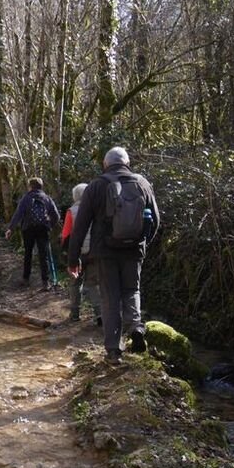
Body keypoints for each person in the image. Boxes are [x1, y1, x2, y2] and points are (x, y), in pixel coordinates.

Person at [67, 147, 160, 365]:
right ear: (127, 162)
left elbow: (80, 227)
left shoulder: (95, 186)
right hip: (134, 250)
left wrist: (73, 259)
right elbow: (155, 220)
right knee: (132, 290)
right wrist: (143, 243)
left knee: (110, 298)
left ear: (105, 164)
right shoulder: (142, 183)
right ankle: (136, 327)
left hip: (105, 252)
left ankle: (113, 351)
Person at [5, 177, 60, 290]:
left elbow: (18, 214)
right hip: (43, 229)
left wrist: (10, 228)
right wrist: (50, 225)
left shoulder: (26, 198)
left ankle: (26, 279)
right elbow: (56, 216)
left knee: (28, 253)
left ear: (30, 186)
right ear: (41, 186)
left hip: (28, 229)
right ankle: (45, 282)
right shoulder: (47, 198)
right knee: (43, 255)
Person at [61, 183, 101, 324]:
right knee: (93, 283)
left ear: (75, 196)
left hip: (77, 253)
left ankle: (75, 314)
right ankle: (99, 314)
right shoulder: (98, 210)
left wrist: (66, 253)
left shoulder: (71, 211)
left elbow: (66, 235)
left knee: (75, 283)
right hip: (94, 252)